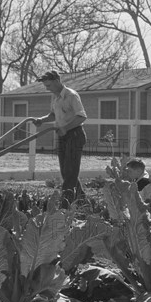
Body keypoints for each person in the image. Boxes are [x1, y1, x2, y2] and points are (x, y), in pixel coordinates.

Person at [33, 70, 87, 208]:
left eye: (49, 85)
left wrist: (66, 128)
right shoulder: (55, 97)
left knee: (70, 172)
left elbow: (81, 116)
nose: (47, 88)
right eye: (46, 86)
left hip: (74, 135)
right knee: (66, 171)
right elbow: (53, 114)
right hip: (63, 136)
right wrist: (42, 120)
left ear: (57, 81)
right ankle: (82, 201)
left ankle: (65, 205)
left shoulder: (71, 96)